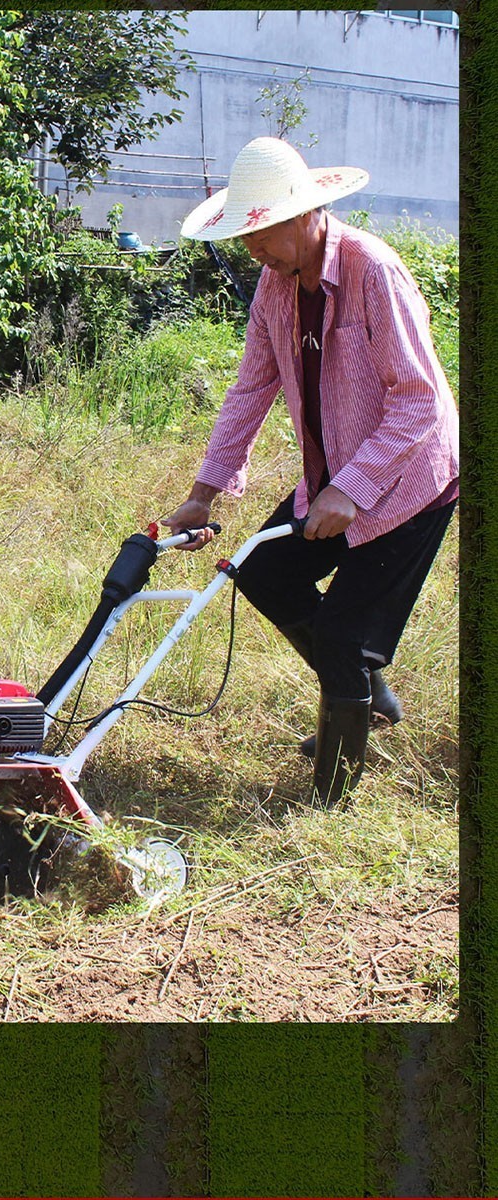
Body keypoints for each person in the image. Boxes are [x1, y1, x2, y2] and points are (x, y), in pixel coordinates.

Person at [163, 137, 459, 808]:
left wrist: (351, 489)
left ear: (306, 215)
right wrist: (203, 495)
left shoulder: (372, 271)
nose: (253, 249)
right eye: (244, 235)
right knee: (264, 572)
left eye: (262, 231)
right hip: (335, 478)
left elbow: (421, 400)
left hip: (409, 482)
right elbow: (250, 389)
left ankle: (331, 797)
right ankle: (366, 699)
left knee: (344, 637)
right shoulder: (275, 287)